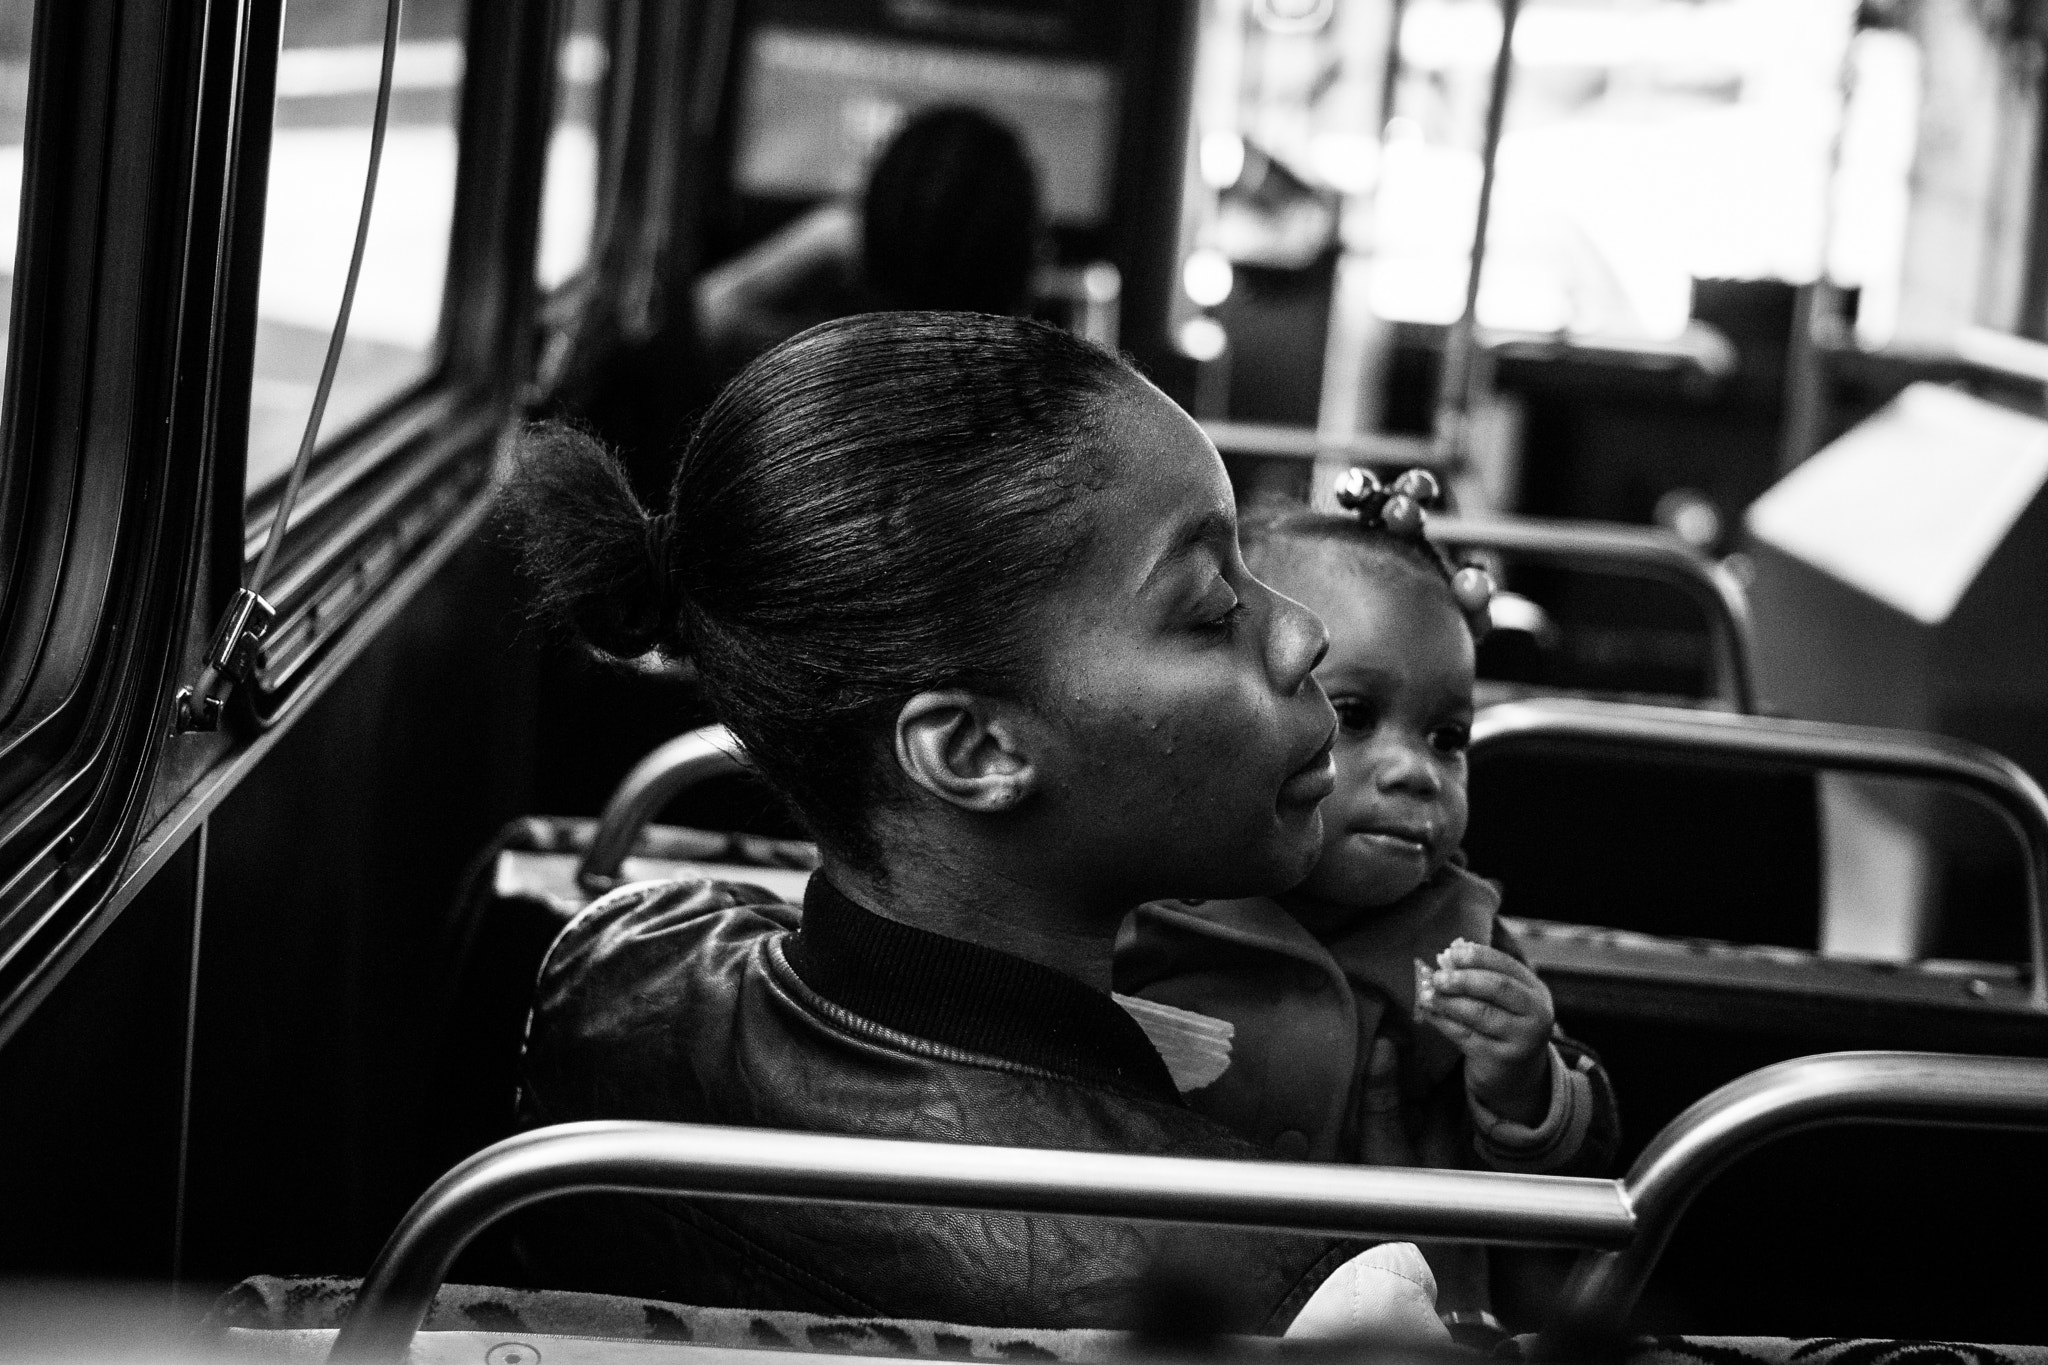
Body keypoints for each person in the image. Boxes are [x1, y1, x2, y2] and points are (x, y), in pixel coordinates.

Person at [499, 311, 1371, 1332]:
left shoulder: (618, 965)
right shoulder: (1269, 1279)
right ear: (974, 754)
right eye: (1212, 608)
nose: (1305, 633)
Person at [1115, 470, 1621, 1318]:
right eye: (1353, 713)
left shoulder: (1461, 931)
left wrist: (1523, 1084)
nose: (1415, 771)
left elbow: (1579, 1177)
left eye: (1448, 736)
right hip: (1175, 1318)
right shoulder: (1146, 891)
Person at [694, 106, 1044, 378]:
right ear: (1028, 256)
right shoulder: (1050, 398)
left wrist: (820, 236)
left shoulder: (811, 366)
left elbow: (700, 316)